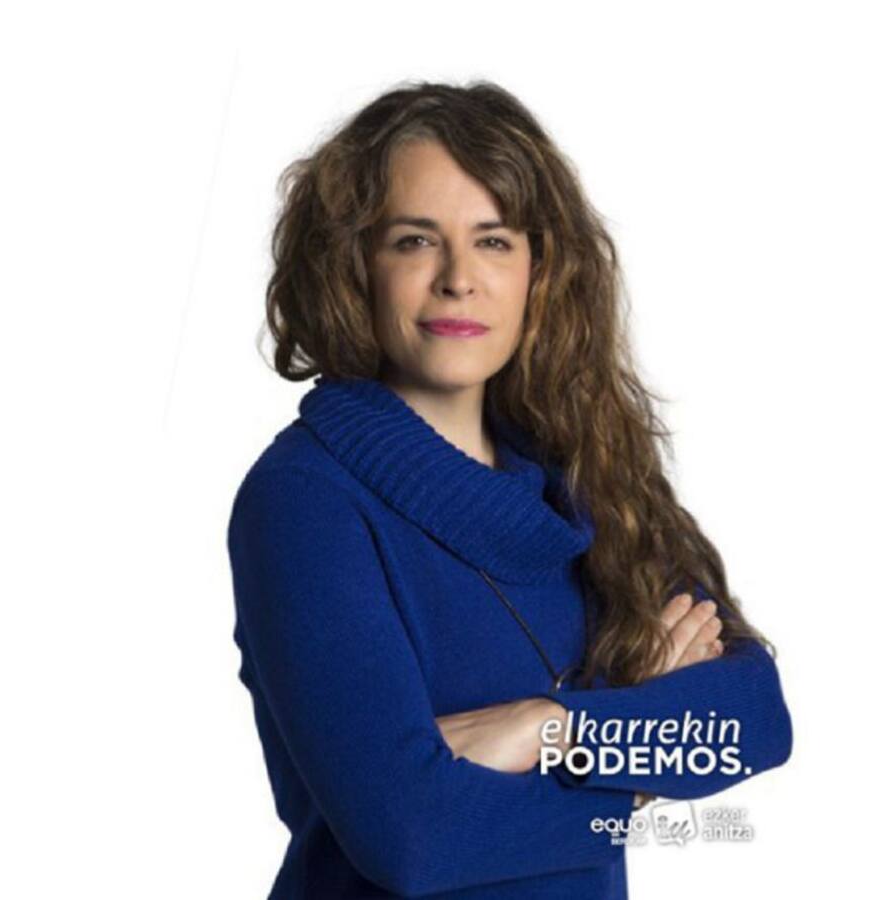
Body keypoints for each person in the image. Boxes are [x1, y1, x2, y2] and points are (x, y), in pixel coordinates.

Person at [226, 80, 793, 899]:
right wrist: (638, 762)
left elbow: (753, 718)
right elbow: (415, 837)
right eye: (415, 241)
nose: (459, 278)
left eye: (493, 241)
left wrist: (549, 727)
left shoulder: (583, 479)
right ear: (356, 266)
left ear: (539, 271)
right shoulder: (304, 502)